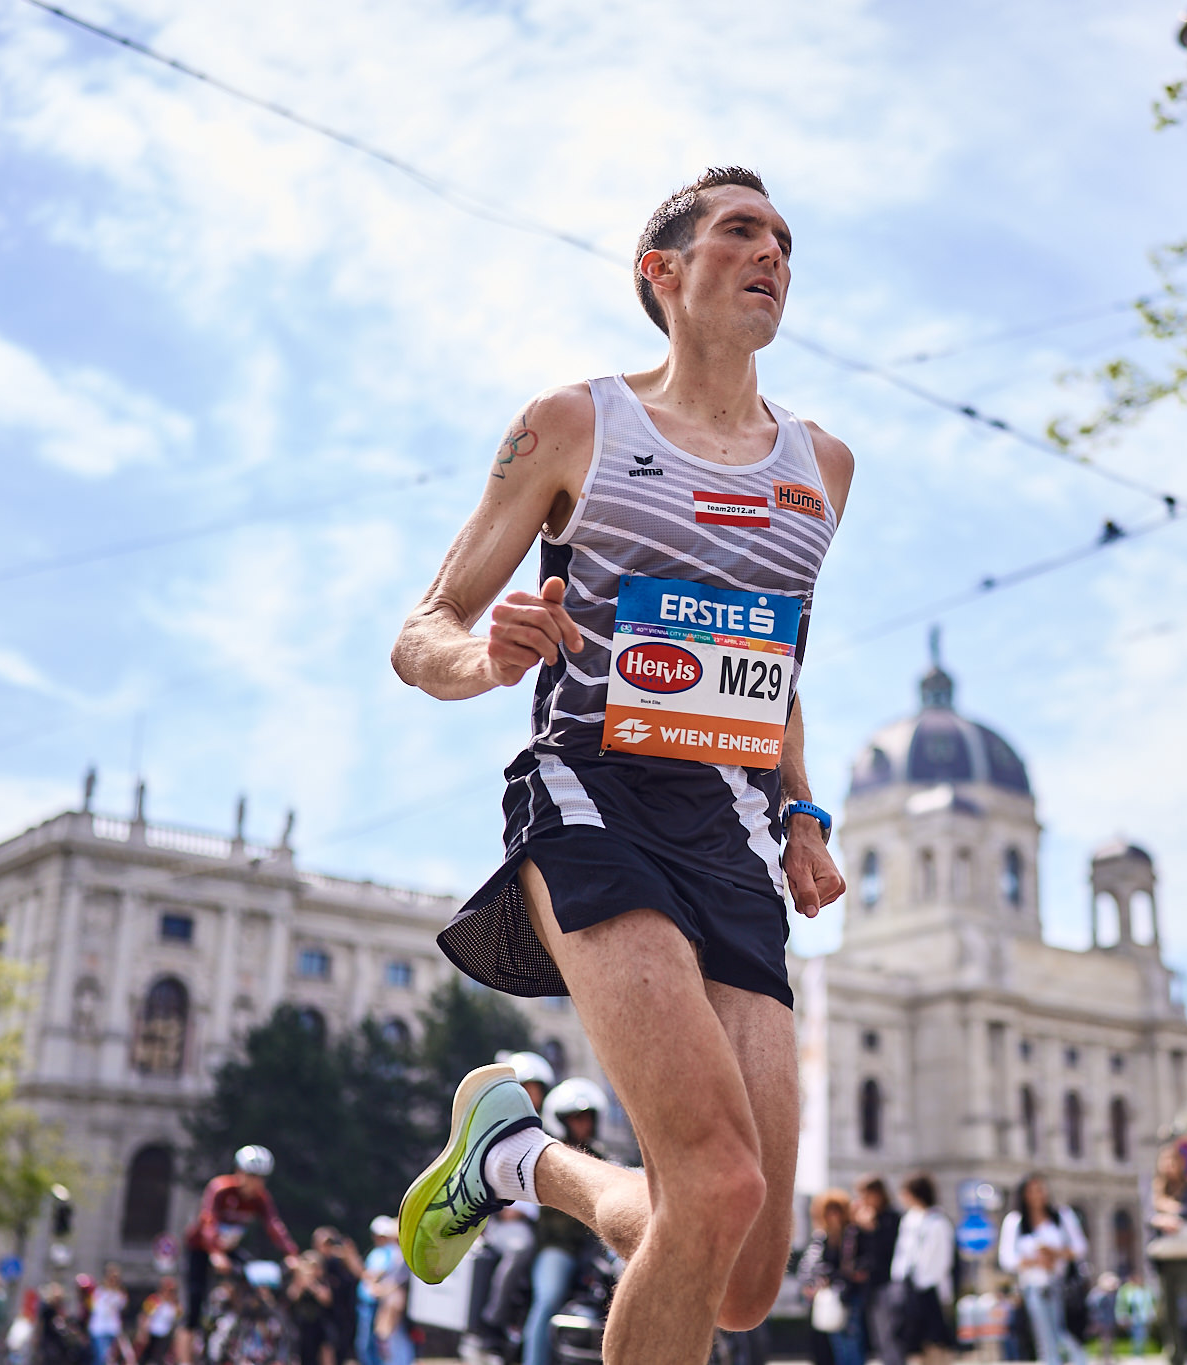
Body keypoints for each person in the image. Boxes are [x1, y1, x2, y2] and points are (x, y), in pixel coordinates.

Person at [388, 165, 852, 1365]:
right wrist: (488, 658)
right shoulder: (574, 424)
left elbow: (773, 672)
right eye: (741, 232)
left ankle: (516, 1159)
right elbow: (421, 633)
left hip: (733, 828)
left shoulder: (823, 467)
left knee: (742, 1269)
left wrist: (800, 811)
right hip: (591, 793)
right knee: (709, 1178)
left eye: (785, 240)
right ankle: (516, 1158)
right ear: (665, 271)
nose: (772, 255)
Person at [522, 1078, 611, 1365]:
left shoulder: (601, 1159)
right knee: (549, 1297)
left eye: (588, 1118)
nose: (584, 1124)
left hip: (596, 1250)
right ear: (561, 1121)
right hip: (559, 1248)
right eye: (576, 1118)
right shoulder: (549, 1156)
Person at [184, 1145, 299, 1361]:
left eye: (261, 1178)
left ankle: (236, 1326)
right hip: (201, 1248)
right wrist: (215, 1253)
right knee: (194, 1304)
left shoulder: (260, 1198)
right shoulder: (220, 1189)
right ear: (239, 1172)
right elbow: (209, 1221)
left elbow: (274, 1225)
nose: (256, 1182)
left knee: (253, 1277)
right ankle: (184, 1358)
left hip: (230, 1249)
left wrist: (291, 1253)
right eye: (251, 1176)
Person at [999, 1175, 1088, 1365]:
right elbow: (1007, 1259)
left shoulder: (1061, 1216)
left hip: (1061, 1284)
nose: (1038, 1195)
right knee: (1045, 1335)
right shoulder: (1015, 1222)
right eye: (1032, 1191)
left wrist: (1055, 1253)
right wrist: (1034, 1261)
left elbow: (1080, 1248)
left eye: (1041, 1189)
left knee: (1062, 1332)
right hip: (1033, 1285)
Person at [1146, 1143, 1187, 1365]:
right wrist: (1160, 1219)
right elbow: (1149, 1220)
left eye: (1174, 1161)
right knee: (1168, 1310)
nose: (1169, 1166)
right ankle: (1175, 1355)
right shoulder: (1156, 1190)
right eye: (1165, 1161)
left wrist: (1171, 1211)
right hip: (1166, 1257)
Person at [889, 1174, 955, 1365]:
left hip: (930, 1290)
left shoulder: (938, 1222)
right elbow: (902, 1253)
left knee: (935, 1341)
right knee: (912, 1343)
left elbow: (941, 1259)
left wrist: (922, 1282)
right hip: (909, 1289)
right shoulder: (909, 1220)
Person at [799, 1189, 864, 1365]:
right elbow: (808, 1266)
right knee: (829, 1345)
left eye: (837, 1210)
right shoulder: (820, 1238)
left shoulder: (852, 1235)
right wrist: (813, 1283)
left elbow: (855, 1265)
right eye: (829, 1211)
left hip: (847, 1296)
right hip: (826, 1299)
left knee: (850, 1345)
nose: (833, 1216)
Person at [853, 1177, 901, 1364]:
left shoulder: (891, 1218)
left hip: (887, 1283)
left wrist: (872, 1229)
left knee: (889, 1334)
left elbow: (888, 1250)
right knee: (876, 1336)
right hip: (868, 1286)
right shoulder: (862, 1218)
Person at [357, 1217, 413, 1365]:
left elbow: (396, 1284)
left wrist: (378, 1290)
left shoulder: (402, 1256)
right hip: (388, 1306)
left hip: (395, 1308)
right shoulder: (395, 1254)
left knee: (396, 1349)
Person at [311, 1231, 363, 1365]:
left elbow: (360, 1275)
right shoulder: (313, 1264)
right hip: (321, 1319)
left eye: (330, 1245)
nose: (327, 1249)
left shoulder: (340, 1263)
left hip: (343, 1316)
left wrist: (349, 1254)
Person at [286, 1254, 335, 1365]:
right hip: (301, 1328)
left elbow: (327, 1299)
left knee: (326, 1352)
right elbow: (291, 1296)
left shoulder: (321, 1282)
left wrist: (312, 1284)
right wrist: (300, 1281)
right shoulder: (297, 1282)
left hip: (320, 1327)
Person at [134, 1279, 180, 1365]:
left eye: (172, 1291)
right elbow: (145, 1315)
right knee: (145, 1356)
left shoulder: (174, 1304)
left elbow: (179, 1318)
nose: (169, 1293)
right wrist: (143, 1332)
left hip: (166, 1334)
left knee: (162, 1357)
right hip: (153, 1332)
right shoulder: (155, 1300)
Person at [87, 1266, 127, 1365]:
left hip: (112, 1329)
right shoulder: (98, 1292)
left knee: (110, 1358)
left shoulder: (119, 1294)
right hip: (99, 1329)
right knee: (100, 1357)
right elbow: (95, 1308)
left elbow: (122, 1306)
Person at [1083, 1274, 1119, 1365]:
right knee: (1102, 1340)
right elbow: (1091, 1305)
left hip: (1109, 1320)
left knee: (1109, 1340)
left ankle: (1107, 1358)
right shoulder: (1096, 1292)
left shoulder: (1112, 1293)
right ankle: (1101, 1358)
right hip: (1099, 1321)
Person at [1115, 1277, 1152, 1358]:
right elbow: (1122, 1304)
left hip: (1142, 1318)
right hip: (1131, 1318)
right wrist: (1122, 1316)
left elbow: (1148, 1304)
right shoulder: (1125, 1290)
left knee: (1141, 1336)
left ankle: (1139, 1353)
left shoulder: (1144, 1290)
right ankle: (1136, 1354)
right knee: (1136, 1336)